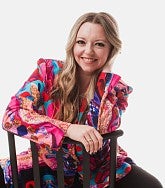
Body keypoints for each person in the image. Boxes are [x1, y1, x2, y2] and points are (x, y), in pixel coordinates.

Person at [1, 12, 163, 188]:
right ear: (72, 44)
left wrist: (105, 77)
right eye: (81, 42)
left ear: (112, 49)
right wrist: (68, 129)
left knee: (151, 185)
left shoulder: (117, 89)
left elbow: (98, 137)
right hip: (47, 164)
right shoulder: (48, 72)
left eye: (99, 44)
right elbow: (12, 116)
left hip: (98, 170)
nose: (88, 51)